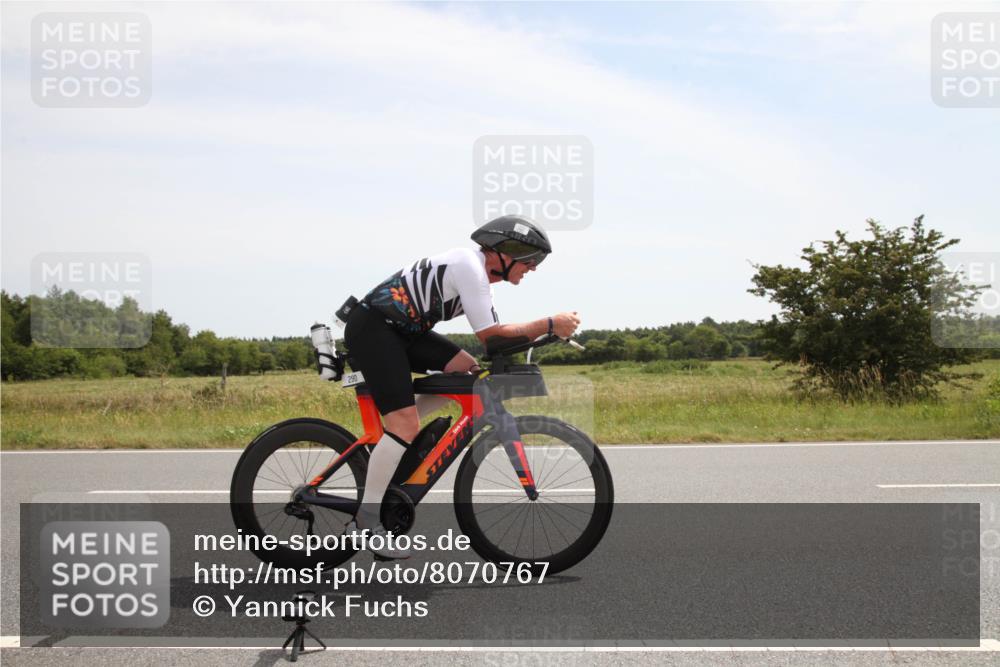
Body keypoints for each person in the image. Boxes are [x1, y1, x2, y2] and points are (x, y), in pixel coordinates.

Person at [341, 215, 580, 558]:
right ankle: (366, 521)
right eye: (531, 260)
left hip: (402, 331)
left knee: (467, 371)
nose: (533, 268)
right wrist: (549, 323)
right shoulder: (469, 266)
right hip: (376, 329)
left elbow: (493, 343)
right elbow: (492, 336)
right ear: (505, 252)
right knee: (404, 423)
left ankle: (400, 439)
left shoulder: (478, 276)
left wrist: (547, 332)